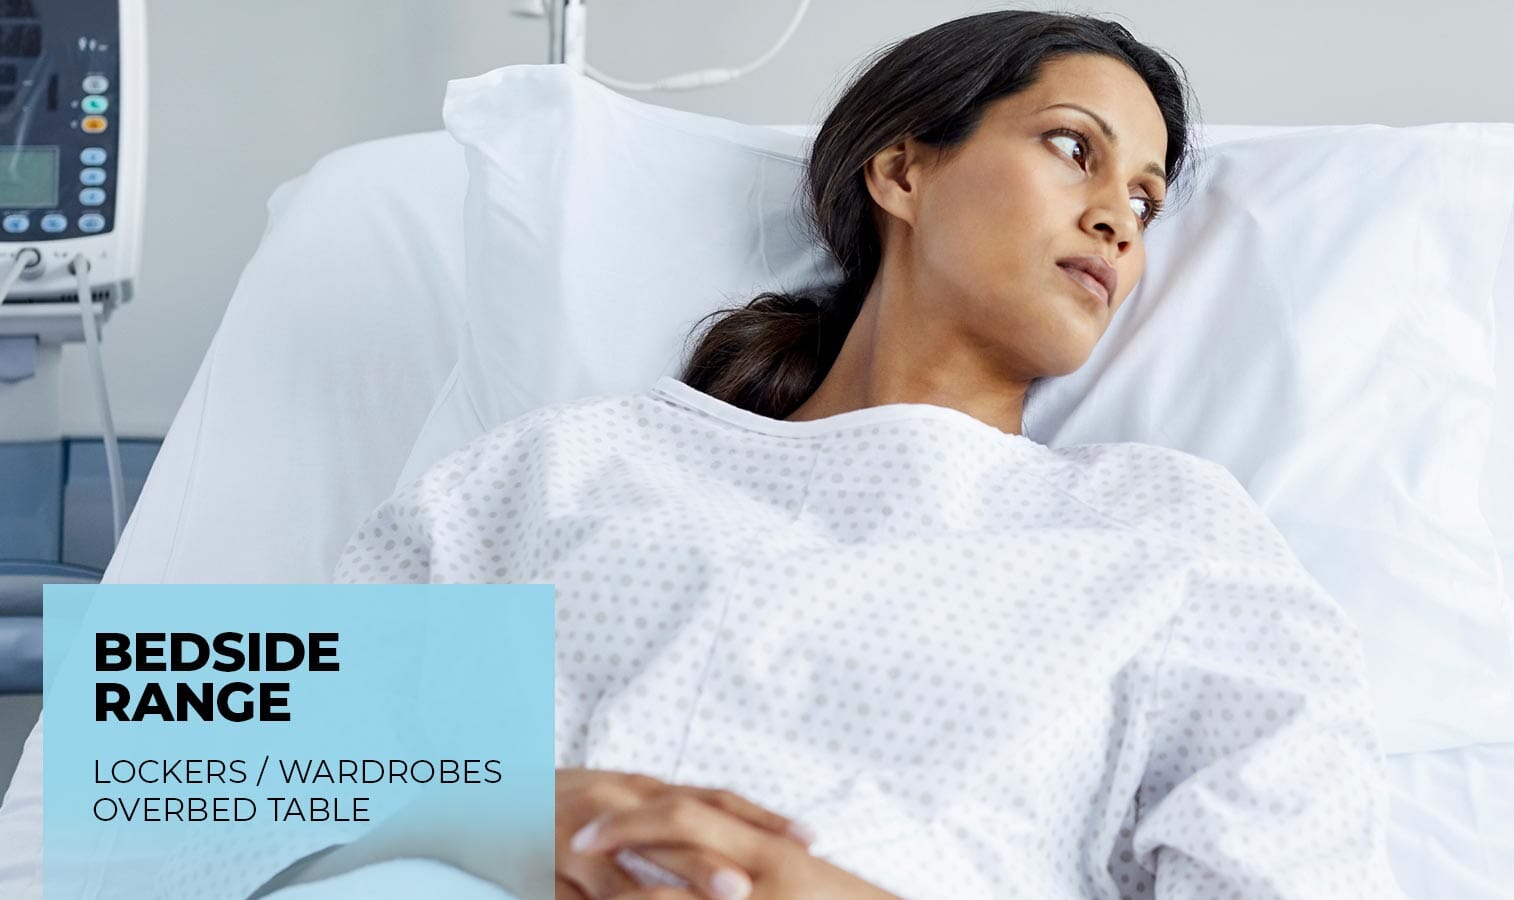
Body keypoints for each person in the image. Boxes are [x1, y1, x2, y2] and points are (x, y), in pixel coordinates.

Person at [302, 11, 1404, 900]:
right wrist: (502, 817)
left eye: (1147, 201)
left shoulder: (1167, 533)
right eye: (1076, 149)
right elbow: (229, 765)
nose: (1120, 219)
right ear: (902, 171)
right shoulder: (572, 465)